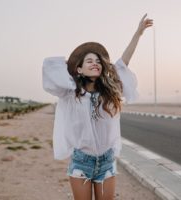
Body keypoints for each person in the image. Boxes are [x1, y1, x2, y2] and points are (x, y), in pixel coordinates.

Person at [42, 14, 153, 200]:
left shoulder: (109, 92)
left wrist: (138, 33)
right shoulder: (70, 94)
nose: (95, 63)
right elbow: (51, 67)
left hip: (106, 162)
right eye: (89, 61)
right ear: (79, 69)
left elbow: (124, 62)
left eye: (98, 61)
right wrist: (71, 66)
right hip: (81, 163)